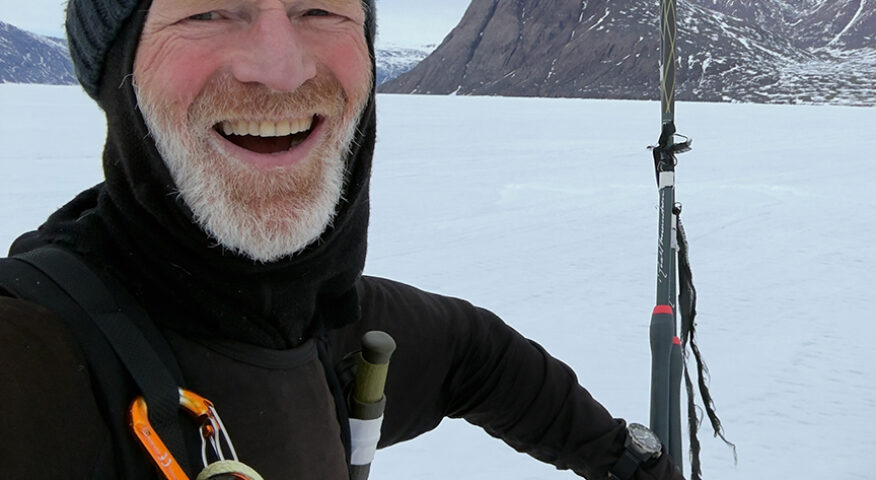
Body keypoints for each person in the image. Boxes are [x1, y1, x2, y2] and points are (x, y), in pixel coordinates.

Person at [0, 0, 685, 479]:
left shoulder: (327, 328)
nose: (282, 68)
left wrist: (623, 459)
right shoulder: (37, 360)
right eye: (207, 11)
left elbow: (477, 356)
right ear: (117, 70)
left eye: (320, 10)